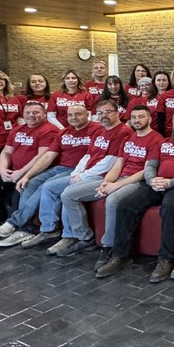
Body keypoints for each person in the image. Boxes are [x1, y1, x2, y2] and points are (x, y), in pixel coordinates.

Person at [111, 110, 174, 283]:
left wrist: (171, 183)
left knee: (169, 207)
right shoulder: (163, 142)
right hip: (158, 183)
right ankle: (120, 254)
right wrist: (152, 179)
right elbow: (150, 165)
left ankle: (166, 259)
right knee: (126, 204)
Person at [0, 104, 101, 247]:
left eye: (78, 114)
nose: (74, 118)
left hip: (79, 170)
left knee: (47, 187)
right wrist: (27, 175)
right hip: (59, 168)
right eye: (70, 115)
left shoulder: (97, 130)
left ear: (87, 114)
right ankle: (25, 229)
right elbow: (48, 156)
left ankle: (19, 223)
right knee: (30, 183)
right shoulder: (64, 133)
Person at [50, 100, 133, 257]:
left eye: (108, 112)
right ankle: (68, 235)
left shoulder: (123, 131)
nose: (104, 116)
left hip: (105, 176)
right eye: (100, 113)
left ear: (117, 113)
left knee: (68, 194)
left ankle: (83, 237)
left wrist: (83, 176)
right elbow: (88, 155)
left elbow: (110, 162)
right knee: (58, 189)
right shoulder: (100, 131)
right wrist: (77, 173)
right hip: (88, 172)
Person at [93, 106, 164, 278]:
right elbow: (118, 165)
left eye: (141, 117)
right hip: (119, 177)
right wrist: (106, 183)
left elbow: (146, 171)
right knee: (70, 194)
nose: (137, 120)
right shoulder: (128, 138)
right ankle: (74, 237)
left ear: (149, 119)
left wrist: (115, 186)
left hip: (138, 180)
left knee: (113, 200)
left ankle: (109, 247)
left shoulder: (156, 139)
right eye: (134, 117)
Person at [0, 101, 58, 230]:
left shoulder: (49, 130)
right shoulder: (17, 129)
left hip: (34, 172)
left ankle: (15, 224)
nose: (31, 115)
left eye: (36, 112)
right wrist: (3, 169)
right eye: (28, 112)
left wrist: (21, 173)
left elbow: (41, 156)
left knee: (18, 189)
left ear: (44, 114)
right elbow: (6, 151)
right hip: (14, 170)